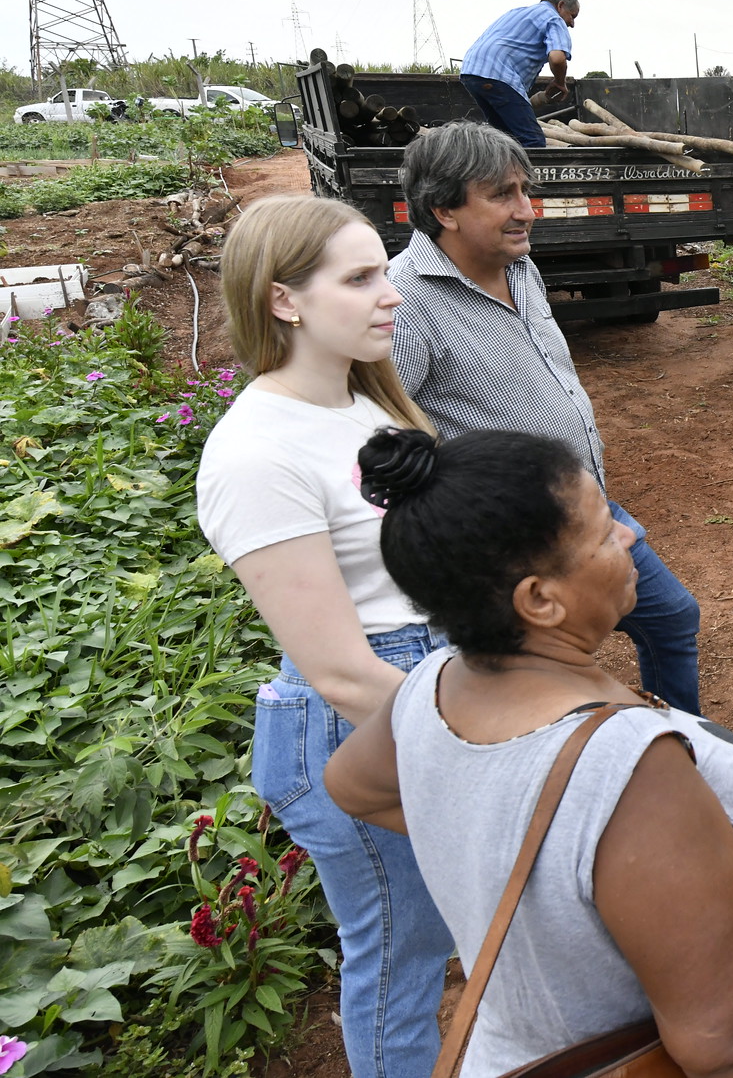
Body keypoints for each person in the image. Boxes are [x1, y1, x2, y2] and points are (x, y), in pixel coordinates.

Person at [324, 428, 733, 1077]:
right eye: (603, 532)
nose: (629, 537)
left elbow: (351, 783)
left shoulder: (433, 688)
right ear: (539, 598)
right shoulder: (631, 771)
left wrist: (488, 837)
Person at [195, 195, 453, 1078]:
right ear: (283, 300)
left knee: (433, 931)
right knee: (400, 953)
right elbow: (341, 669)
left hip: (418, 685)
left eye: (384, 270)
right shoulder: (256, 453)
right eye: (360, 277)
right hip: (361, 717)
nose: (392, 295)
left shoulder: (362, 405)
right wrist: (490, 726)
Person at [388, 120, 705, 714]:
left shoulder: (520, 267)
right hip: (511, 542)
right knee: (536, 681)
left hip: (584, 505)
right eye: (502, 195)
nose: (526, 211)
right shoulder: (404, 302)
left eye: (524, 191)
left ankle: (682, 743)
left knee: (670, 616)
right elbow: (386, 440)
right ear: (444, 211)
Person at [459, 0, 578, 149]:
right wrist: (560, 83)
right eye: (572, 16)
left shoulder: (517, 12)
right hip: (498, 74)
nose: (572, 24)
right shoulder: (553, 19)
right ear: (560, 5)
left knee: (504, 140)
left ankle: (500, 173)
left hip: (471, 71)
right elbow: (557, 58)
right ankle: (530, 175)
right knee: (533, 141)